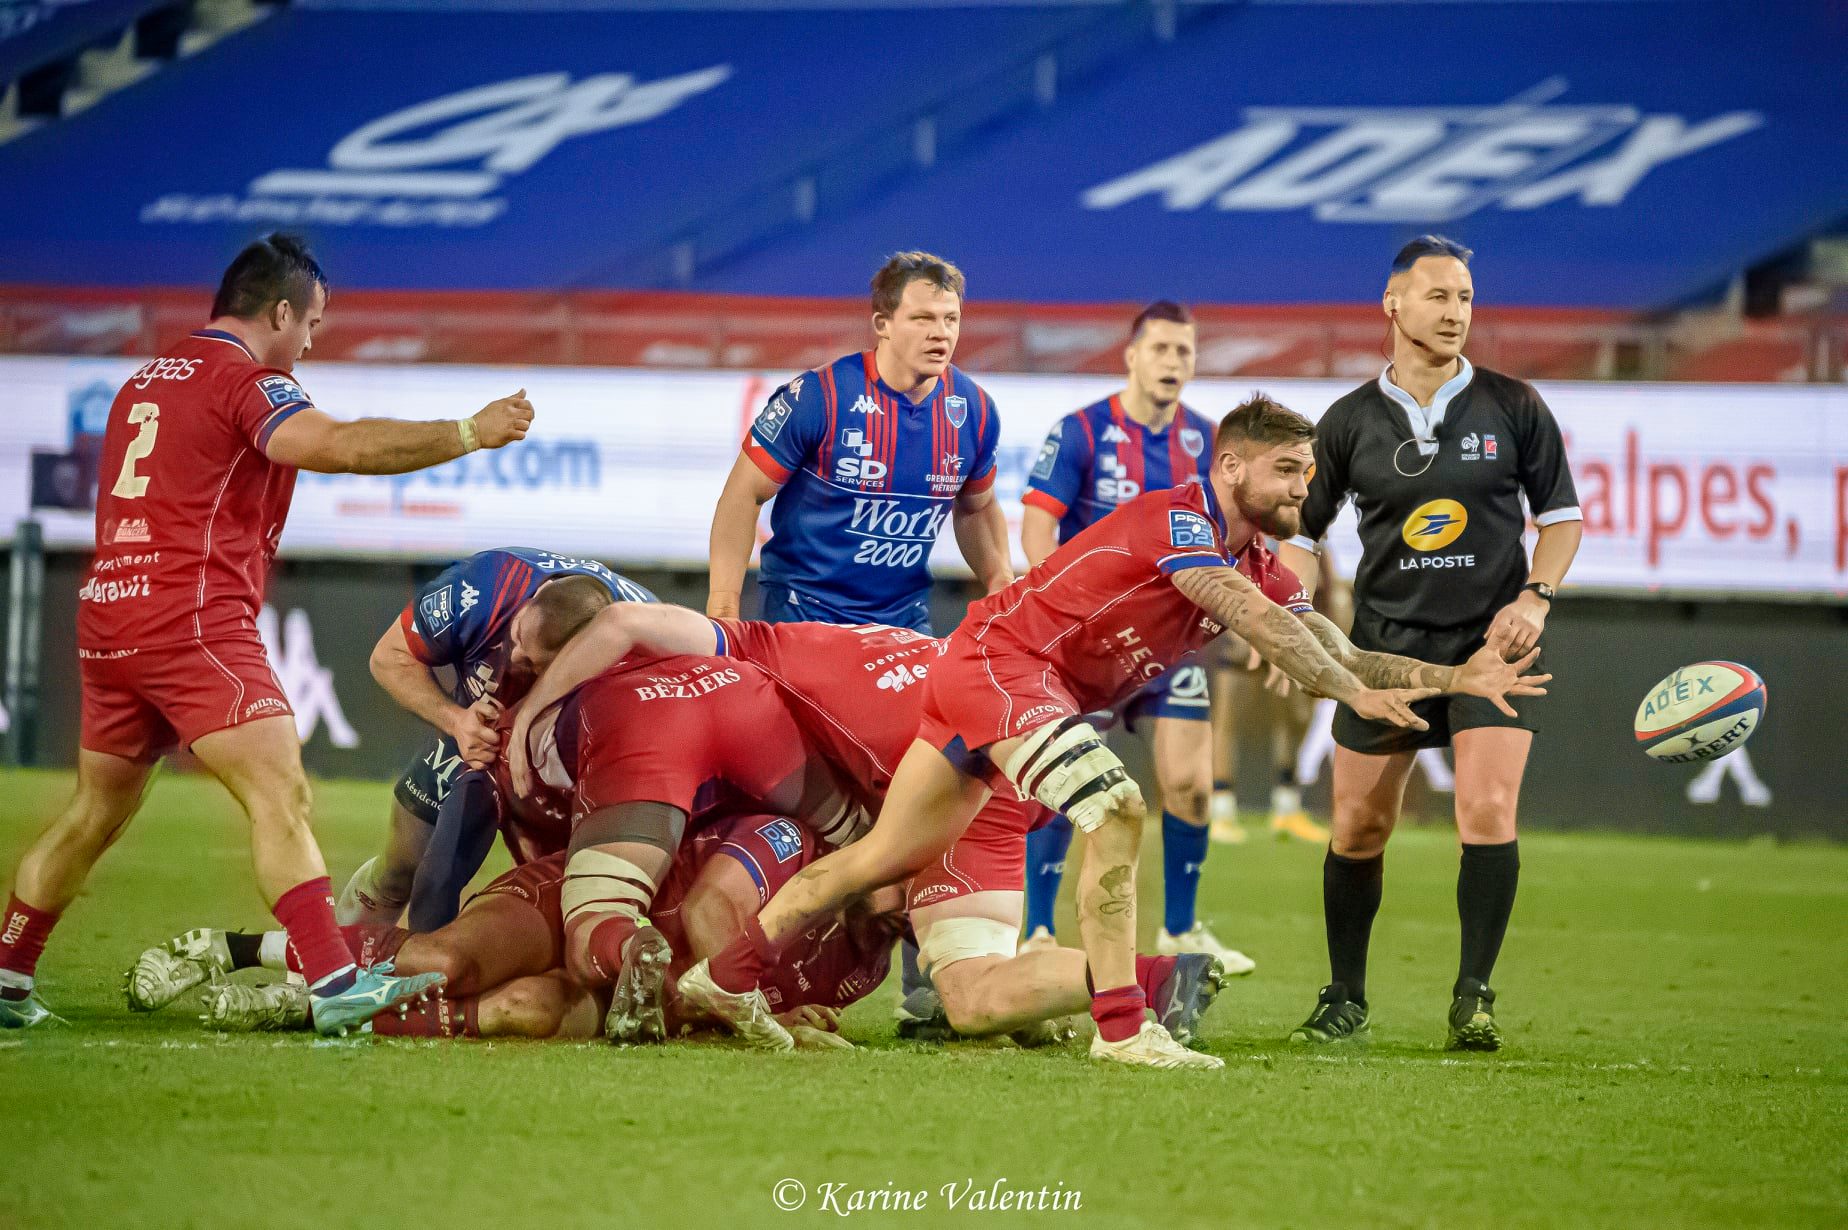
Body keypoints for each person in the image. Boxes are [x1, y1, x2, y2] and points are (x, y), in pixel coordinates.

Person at [672, 396, 1546, 1067]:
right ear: (1232, 465)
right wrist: (1347, 692)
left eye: (1308, 473)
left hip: (994, 678)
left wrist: (1453, 677)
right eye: (1286, 469)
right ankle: (1124, 1029)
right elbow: (1256, 623)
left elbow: (1333, 642)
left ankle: (723, 980)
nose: (1302, 487)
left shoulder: (1257, 559)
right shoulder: (1181, 517)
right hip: (1000, 667)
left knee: (880, 859)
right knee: (1119, 810)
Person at [0, 233, 533, 1036]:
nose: (313, 342)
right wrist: (466, 432)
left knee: (92, 812)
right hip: (192, 620)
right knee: (280, 794)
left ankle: (7, 975)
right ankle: (333, 985)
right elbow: (341, 446)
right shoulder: (247, 383)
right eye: (312, 323)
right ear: (279, 312)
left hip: (109, 618)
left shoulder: (143, 382)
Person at [509, 605, 1232, 1052]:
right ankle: (1143, 982)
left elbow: (622, 624)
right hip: (1014, 747)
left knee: (913, 927)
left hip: (967, 767)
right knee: (966, 980)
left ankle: (731, 986)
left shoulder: (757, 648)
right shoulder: (821, 643)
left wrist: (529, 721)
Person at [1278, 235, 1581, 1051]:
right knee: (1357, 830)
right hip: (1384, 651)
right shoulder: (1345, 422)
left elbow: (1561, 520)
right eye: (1439, 297)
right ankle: (1344, 996)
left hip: (1493, 650)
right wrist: (1293, 604)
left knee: (1485, 810)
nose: (1455, 313)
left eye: (1466, 299)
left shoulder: (1515, 406)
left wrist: (1536, 599)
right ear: (1393, 303)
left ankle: (1473, 997)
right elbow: (1297, 531)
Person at [704, 250, 1015, 1036]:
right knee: (805, 817)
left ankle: (931, 994)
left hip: (903, 637)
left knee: (934, 802)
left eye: (950, 319)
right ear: (882, 324)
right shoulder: (819, 397)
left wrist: (1003, 591)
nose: (941, 333)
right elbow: (743, 494)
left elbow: (977, 511)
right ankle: (753, 975)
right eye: (922, 318)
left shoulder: (971, 412)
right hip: (805, 630)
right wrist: (723, 608)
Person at [1017, 300, 1250, 972]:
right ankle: (1036, 927)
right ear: (1131, 355)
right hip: (1087, 644)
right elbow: (1038, 524)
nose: (1173, 362)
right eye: (1161, 350)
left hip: (1166, 646)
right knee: (1066, 783)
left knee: (1192, 784)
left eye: (1184, 351)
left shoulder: (1211, 446)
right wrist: (1053, 605)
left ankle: (1181, 928)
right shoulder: (1083, 431)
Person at [338, 547, 655, 929]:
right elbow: (388, 658)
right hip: (474, 734)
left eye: (532, 664)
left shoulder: (642, 640)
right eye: (517, 635)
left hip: (567, 758)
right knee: (400, 870)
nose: (514, 657)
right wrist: (456, 721)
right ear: (529, 604)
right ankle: (328, 973)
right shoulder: (481, 588)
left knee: (571, 896)